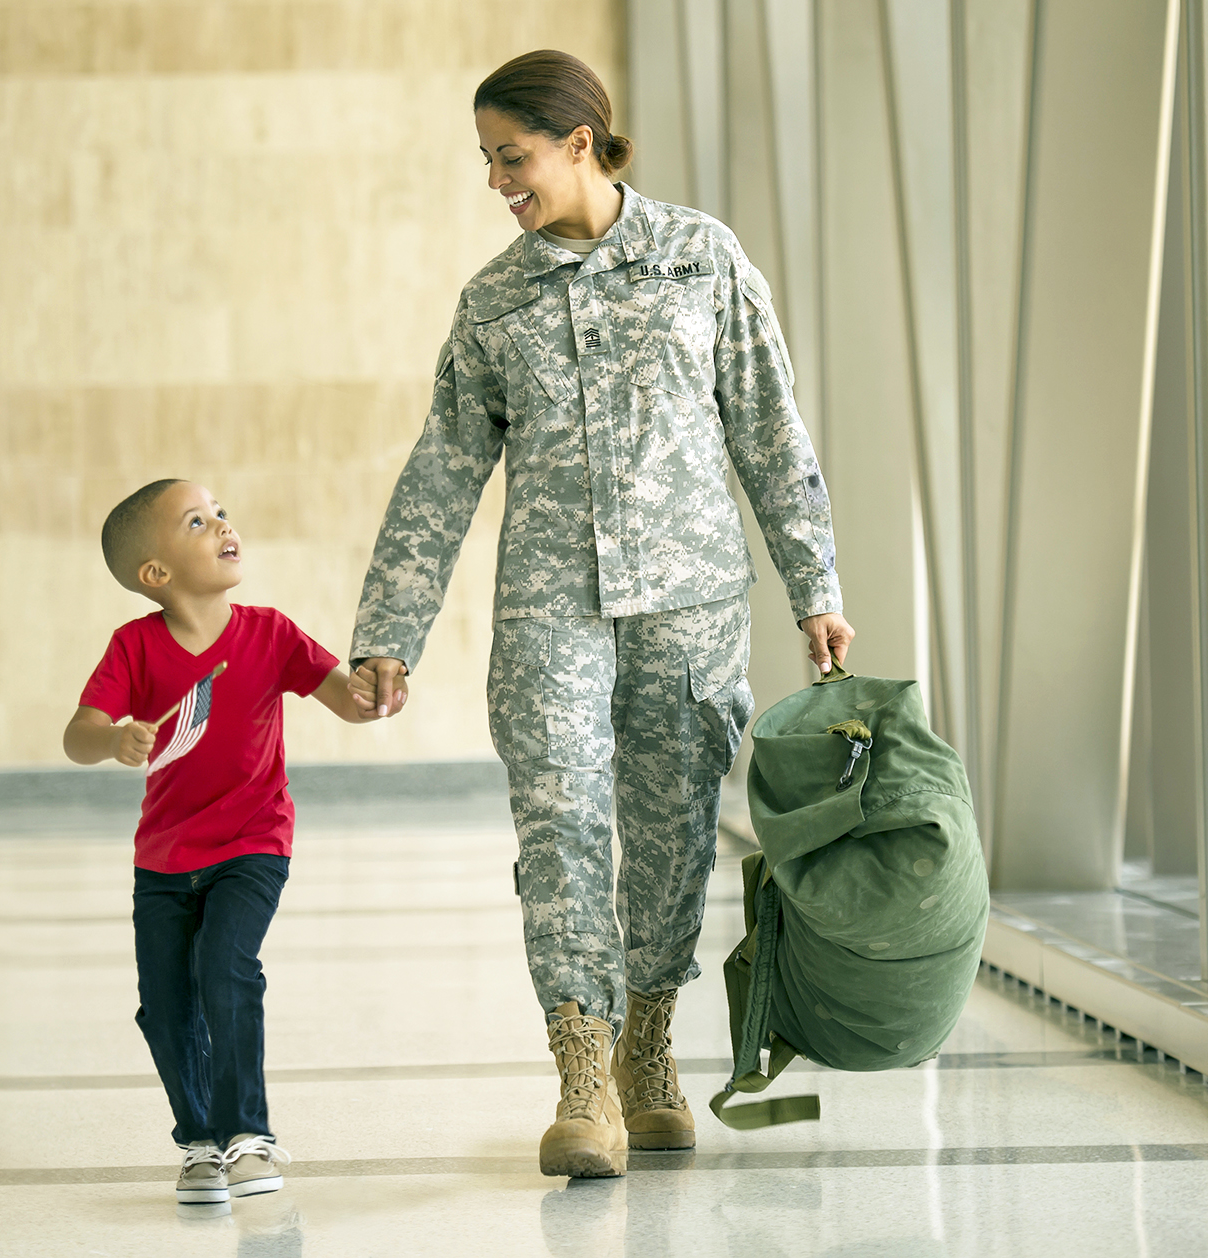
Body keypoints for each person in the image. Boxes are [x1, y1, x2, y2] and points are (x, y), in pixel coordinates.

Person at [347, 49, 855, 1178]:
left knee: (671, 839)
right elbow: (442, 469)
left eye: (510, 155)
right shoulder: (495, 301)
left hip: (691, 609)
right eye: (485, 160)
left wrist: (814, 586)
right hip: (549, 612)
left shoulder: (701, 259)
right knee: (563, 828)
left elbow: (769, 430)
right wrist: (389, 629)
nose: (496, 181)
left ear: (580, 141)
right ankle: (580, 1075)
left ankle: (647, 1053)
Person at [65, 479, 383, 1209]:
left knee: (225, 964)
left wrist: (379, 686)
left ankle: (250, 1135)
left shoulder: (271, 633)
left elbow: (347, 699)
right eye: (197, 521)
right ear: (156, 574)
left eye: (221, 515)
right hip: (165, 861)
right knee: (166, 1006)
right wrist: (113, 738)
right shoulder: (134, 647)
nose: (222, 526)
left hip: (253, 840)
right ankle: (200, 1142)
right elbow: (77, 733)